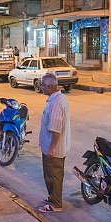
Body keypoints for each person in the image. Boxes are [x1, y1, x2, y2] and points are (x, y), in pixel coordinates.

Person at [38, 72, 71, 213]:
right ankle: (52, 197)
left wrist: (51, 148)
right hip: (53, 146)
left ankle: (55, 204)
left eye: (43, 85)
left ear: (50, 86)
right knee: (50, 175)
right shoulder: (57, 98)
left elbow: (55, 129)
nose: (41, 87)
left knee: (54, 176)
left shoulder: (57, 103)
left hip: (54, 149)